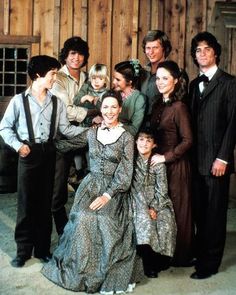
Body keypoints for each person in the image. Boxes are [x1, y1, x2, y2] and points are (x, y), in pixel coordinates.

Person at [42, 90, 140, 294]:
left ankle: (100, 271)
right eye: (106, 107)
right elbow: (67, 144)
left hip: (115, 191)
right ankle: (81, 269)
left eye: (114, 107)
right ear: (100, 109)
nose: (110, 111)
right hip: (91, 186)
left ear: (120, 109)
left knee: (103, 220)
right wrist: (42, 144)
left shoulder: (127, 137)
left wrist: (107, 195)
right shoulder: (92, 133)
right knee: (84, 217)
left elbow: (125, 174)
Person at [0, 55, 86, 268]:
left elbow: (66, 129)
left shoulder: (56, 102)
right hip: (27, 155)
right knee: (26, 204)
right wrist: (19, 145)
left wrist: (91, 132)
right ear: (38, 75)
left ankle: (42, 249)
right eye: (52, 74)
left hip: (49, 154)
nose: (54, 78)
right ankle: (22, 251)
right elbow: (4, 127)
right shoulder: (19, 101)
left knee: (45, 203)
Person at [189, 31, 236, 280]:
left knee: (215, 214)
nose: (202, 53)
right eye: (198, 50)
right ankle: (201, 253)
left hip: (217, 161)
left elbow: (233, 125)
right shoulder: (193, 84)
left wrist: (223, 158)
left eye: (206, 49)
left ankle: (211, 263)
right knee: (199, 211)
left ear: (215, 52)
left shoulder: (229, 83)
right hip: (195, 161)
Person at [150, 60, 193, 267]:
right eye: (158, 78)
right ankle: (161, 252)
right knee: (160, 209)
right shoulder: (157, 104)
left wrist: (165, 157)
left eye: (165, 78)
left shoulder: (180, 107)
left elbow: (188, 140)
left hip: (175, 166)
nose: (160, 82)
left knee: (177, 209)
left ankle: (179, 254)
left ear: (175, 81)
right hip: (158, 165)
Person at [50, 36, 94, 236]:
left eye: (80, 54)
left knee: (86, 178)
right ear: (65, 56)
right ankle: (61, 225)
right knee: (58, 185)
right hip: (63, 135)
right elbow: (66, 110)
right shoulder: (57, 77)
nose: (76, 58)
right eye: (72, 54)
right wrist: (92, 113)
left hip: (86, 133)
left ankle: (84, 226)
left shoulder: (89, 77)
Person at [130, 127, 176, 278]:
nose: (144, 143)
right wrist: (146, 208)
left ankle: (160, 258)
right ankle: (147, 262)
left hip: (157, 200)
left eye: (148, 140)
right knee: (145, 222)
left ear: (154, 145)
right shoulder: (131, 160)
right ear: (136, 141)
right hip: (137, 199)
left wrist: (154, 207)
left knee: (165, 220)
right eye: (141, 139)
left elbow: (162, 189)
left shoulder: (158, 163)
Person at [141, 30, 172, 126]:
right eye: (148, 48)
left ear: (164, 49)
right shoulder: (142, 73)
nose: (151, 52)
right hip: (141, 127)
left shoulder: (173, 72)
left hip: (162, 126)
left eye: (155, 47)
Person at [112, 59, 146, 136]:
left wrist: (112, 126)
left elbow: (134, 129)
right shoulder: (113, 92)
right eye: (114, 78)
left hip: (125, 138)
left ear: (129, 81)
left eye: (118, 80)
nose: (113, 82)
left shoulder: (139, 99)